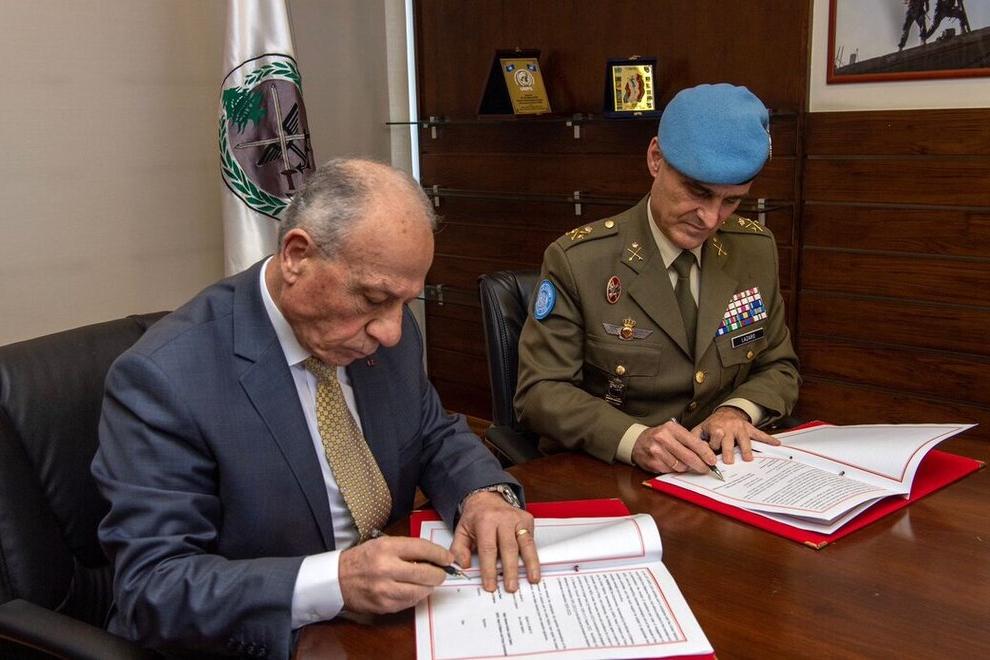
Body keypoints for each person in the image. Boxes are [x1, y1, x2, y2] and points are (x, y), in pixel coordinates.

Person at [92, 159, 540, 659]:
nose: (392, 331)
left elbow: (433, 433)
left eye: (405, 303)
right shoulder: (164, 379)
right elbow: (153, 587)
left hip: (393, 620)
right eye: (373, 297)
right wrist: (335, 581)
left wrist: (484, 495)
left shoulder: (382, 331)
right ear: (296, 256)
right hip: (268, 640)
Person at [514, 83, 800, 477]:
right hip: (614, 472)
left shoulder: (754, 250)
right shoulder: (580, 261)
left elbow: (778, 366)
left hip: (723, 473)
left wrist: (736, 411)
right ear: (655, 158)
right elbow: (540, 392)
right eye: (697, 192)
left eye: (731, 201)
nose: (711, 219)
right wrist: (635, 440)